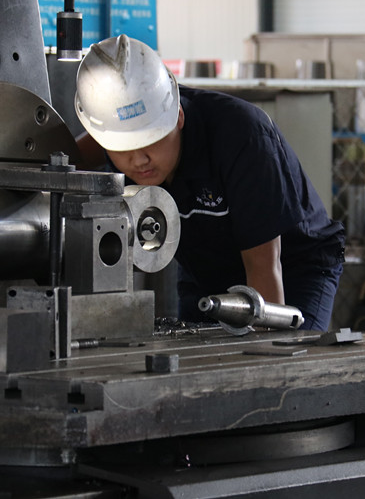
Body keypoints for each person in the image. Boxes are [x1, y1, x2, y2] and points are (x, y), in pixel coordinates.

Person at [74, 34, 345, 331]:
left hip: (293, 268)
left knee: (288, 353)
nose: (139, 160)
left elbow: (264, 268)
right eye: (123, 147)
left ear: (177, 116)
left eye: (150, 140)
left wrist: (268, 351)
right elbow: (56, 158)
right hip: (206, 270)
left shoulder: (242, 138)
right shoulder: (114, 131)